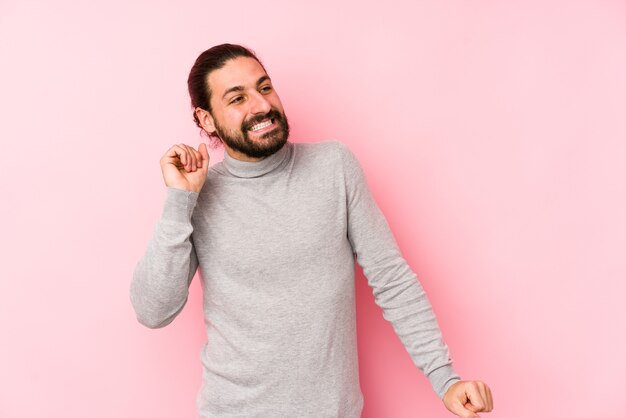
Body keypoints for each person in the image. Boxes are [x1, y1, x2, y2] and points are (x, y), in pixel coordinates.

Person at [131, 43, 493, 418]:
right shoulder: (199, 196)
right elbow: (153, 310)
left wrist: (445, 379)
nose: (261, 105)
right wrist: (180, 200)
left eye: (265, 87)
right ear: (206, 120)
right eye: (237, 98)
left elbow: (392, 279)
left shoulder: (333, 166)